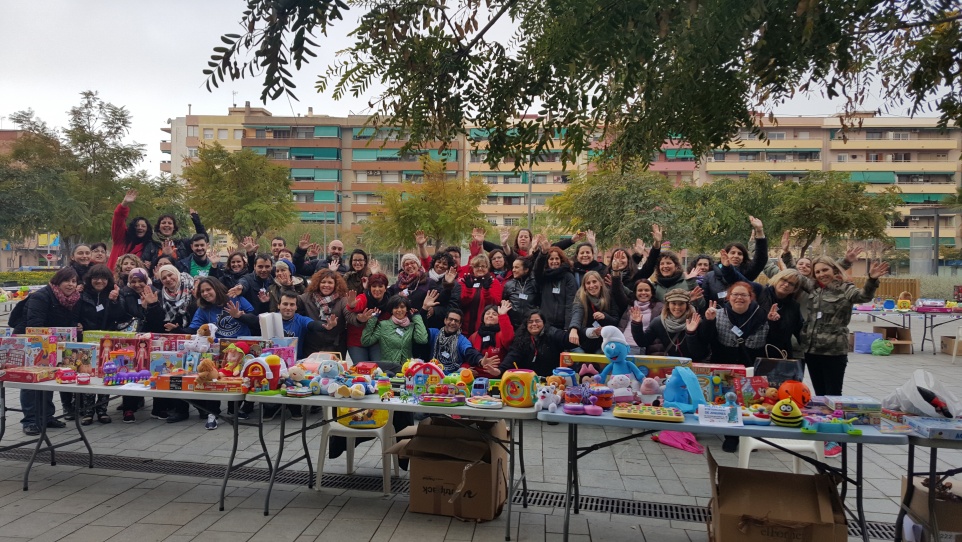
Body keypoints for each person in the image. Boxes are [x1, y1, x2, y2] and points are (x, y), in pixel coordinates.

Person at [799, 257, 888, 397]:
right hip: (811, 351)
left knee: (833, 394)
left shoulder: (845, 288)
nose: (822, 274)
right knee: (819, 394)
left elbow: (863, 297)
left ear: (834, 270)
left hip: (833, 351)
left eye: (825, 270)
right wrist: (786, 255)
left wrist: (871, 280)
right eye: (818, 272)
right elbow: (792, 274)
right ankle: (821, 419)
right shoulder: (813, 288)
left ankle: (833, 419)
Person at [13, 267, 80, 436]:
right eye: (67, 281)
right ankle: (30, 420)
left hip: (53, 344)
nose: (71, 285)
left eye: (74, 281)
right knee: (30, 381)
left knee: (49, 377)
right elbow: (34, 325)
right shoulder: (41, 296)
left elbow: (70, 322)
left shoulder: (71, 299)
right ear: (58, 281)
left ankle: (47, 416)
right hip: (31, 343)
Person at [76, 264, 124, 425]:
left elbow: (120, 316)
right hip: (87, 340)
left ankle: (102, 410)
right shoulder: (82, 294)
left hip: (107, 341)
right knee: (88, 374)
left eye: (103, 278)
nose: (99, 281)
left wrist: (115, 301)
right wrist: (78, 325)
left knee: (106, 373)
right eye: (96, 278)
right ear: (90, 279)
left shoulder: (113, 293)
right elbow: (74, 313)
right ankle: (88, 411)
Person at [700, 216, 768, 304]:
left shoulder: (747, 272)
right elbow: (704, 302)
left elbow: (760, 259)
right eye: (732, 253)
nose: (736, 256)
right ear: (725, 255)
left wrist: (759, 231)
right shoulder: (710, 276)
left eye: (740, 254)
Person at [629, 288, 709, 361]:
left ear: (687, 305)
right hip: (672, 365)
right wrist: (636, 324)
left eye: (681, 304)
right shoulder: (658, 322)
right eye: (673, 303)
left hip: (694, 365)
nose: (677, 307)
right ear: (668, 305)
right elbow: (642, 342)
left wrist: (691, 334)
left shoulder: (696, 321)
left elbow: (700, 354)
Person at [422, 304, 498, 375]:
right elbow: (421, 332)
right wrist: (424, 309)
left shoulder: (462, 340)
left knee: (463, 371)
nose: (453, 323)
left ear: (460, 325)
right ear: (445, 320)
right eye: (450, 319)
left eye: (456, 321)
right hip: (432, 373)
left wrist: (480, 360)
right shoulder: (434, 333)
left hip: (453, 376)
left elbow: (470, 351)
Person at [568, 270, 629, 354]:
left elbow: (615, 322)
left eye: (594, 282)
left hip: (603, 343)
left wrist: (604, 317)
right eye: (588, 283)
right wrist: (588, 331)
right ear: (584, 286)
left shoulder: (609, 297)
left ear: (600, 283)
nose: (592, 285)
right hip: (584, 342)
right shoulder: (581, 299)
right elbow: (577, 315)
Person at [499, 309, 572, 377]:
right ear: (526, 325)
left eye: (537, 321)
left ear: (543, 322)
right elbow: (512, 356)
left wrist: (577, 331)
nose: (534, 324)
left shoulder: (552, 333)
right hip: (528, 380)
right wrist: (500, 370)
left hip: (551, 380)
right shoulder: (520, 338)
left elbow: (567, 339)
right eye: (530, 322)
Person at [360, 295, 429, 366]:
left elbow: (422, 340)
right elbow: (366, 341)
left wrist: (417, 317)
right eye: (396, 307)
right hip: (388, 368)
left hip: (407, 368)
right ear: (391, 310)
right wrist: (372, 320)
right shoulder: (383, 325)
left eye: (402, 307)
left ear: (406, 309)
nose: (399, 310)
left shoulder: (411, 326)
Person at [298, 269, 352, 358]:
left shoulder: (342, 300)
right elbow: (291, 302)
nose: (326, 285)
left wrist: (358, 316)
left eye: (330, 282)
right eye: (323, 282)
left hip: (335, 346)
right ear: (318, 283)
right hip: (312, 346)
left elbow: (350, 316)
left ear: (335, 285)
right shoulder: (307, 298)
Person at [187, 277, 258, 338]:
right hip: (219, 344)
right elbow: (193, 329)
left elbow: (255, 320)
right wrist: (177, 329)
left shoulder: (235, 298)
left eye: (208, 290)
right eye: (202, 291)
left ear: (217, 288)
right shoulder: (203, 308)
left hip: (242, 341)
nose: (205, 293)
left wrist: (239, 316)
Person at [532, 236, 577, 330]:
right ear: (547, 261)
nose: (554, 261)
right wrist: (543, 253)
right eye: (551, 259)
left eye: (557, 259)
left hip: (562, 325)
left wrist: (568, 327)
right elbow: (537, 270)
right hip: (545, 324)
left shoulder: (568, 277)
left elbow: (570, 303)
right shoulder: (543, 277)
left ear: (561, 260)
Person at [345, 273, 391, 363]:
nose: (377, 289)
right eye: (374, 286)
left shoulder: (389, 301)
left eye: (380, 286)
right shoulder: (364, 297)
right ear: (370, 287)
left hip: (377, 341)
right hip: (358, 341)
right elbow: (357, 304)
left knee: (378, 367)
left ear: (385, 288)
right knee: (362, 367)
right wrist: (352, 305)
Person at [107, 190, 158, 269]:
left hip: (134, 280)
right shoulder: (120, 238)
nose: (140, 228)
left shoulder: (148, 247)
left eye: (143, 226)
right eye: (137, 225)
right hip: (112, 277)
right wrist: (124, 204)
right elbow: (118, 218)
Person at [457, 253, 503, 335]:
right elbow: (462, 302)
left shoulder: (493, 282)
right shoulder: (467, 280)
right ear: (473, 268)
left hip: (485, 326)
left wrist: (486, 291)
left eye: (483, 266)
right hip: (465, 326)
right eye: (477, 266)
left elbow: (495, 303)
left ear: (487, 267)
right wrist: (468, 289)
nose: (480, 268)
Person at [142, 209, 207, 265]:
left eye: (170, 223)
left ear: (174, 227)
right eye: (163, 223)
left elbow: (203, 238)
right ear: (159, 227)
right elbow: (145, 264)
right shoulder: (151, 245)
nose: (166, 225)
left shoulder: (183, 243)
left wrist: (197, 222)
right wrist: (164, 255)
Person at [467, 302, 514, 378]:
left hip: (497, 376)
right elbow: (467, 354)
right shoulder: (474, 336)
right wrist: (467, 369)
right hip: (476, 377)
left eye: (495, 314)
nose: (490, 315)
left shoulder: (501, 334)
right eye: (487, 313)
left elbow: (509, 338)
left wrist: (503, 315)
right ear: (483, 318)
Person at [618, 279, 662, 355]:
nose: (643, 293)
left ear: (652, 293)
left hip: (639, 347)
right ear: (635, 293)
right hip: (622, 344)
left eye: (647, 290)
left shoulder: (659, 308)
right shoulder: (630, 306)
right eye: (640, 290)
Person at [156, 264, 197, 333]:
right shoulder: (160, 296)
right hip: (173, 334)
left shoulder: (193, 288)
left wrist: (197, 299)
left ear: (176, 273)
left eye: (170, 275)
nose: (168, 279)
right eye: (164, 278)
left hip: (192, 332)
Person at [502, 256, 538, 328]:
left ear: (526, 270)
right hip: (513, 325)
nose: (513, 270)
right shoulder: (509, 285)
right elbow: (504, 301)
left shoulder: (535, 283)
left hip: (530, 324)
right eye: (513, 267)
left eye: (517, 267)